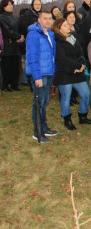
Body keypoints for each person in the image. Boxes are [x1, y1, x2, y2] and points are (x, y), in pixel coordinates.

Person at [52, 18, 91, 130]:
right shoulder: (57, 41)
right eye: (65, 25)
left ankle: (83, 115)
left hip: (78, 72)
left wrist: (81, 65)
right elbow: (62, 58)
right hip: (65, 73)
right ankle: (67, 119)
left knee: (85, 94)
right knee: (66, 97)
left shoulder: (73, 38)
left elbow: (80, 53)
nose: (68, 26)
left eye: (68, 25)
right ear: (59, 28)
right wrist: (76, 67)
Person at [25, 11, 57, 142]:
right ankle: (37, 131)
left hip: (49, 72)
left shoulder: (50, 34)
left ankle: (43, 127)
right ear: (39, 20)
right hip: (40, 74)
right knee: (38, 103)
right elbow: (32, 57)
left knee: (44, 102)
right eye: (45, 19)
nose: (48, 21)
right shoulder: (33, 35)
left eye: (50, 19)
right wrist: (37, 76)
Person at [0, 0, 24, 92]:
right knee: (6, 66)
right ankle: (5, 85)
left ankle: (14, 84)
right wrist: (18, 36)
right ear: (3, 6)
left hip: (16, 46)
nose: (10, 6)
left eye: (11, 4)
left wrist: (21, 36)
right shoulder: (2, 17)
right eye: (8, 4)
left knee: (15, 66)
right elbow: (7, 31)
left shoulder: (14, 16)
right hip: (7, 45)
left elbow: (20, 27)